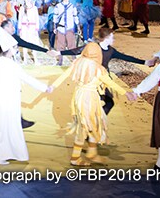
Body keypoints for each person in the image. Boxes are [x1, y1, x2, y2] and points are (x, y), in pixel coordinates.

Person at [0, 26, 52, 165]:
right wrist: (45, 88)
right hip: (8, 100)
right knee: (7, 126)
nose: (16, 49)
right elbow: (27, 78)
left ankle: (4, 152)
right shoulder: (11, 65)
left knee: (1, 125)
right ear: (8, 50)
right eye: (14, 47)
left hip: (0, 100)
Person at [49, 37, 129, 165]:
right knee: (85, 127)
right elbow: (110, 83)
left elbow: (65, 75)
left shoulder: (78, 63)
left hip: (79, 96)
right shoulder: (98, 69)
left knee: (93, 124)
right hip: (89, 99)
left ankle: (92, 152)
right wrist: (126, 93)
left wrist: (53, 86)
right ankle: (75, 158)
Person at [55, 27, 148, 115]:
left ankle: (96, 118)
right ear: (106, 38)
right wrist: (59, 52)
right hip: (92, 79)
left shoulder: (111, 50)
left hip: (103, 80)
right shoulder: (93, 47)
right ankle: (90, 119)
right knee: (97, 102)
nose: (113, 40)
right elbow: (76, 50)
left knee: (109, 103)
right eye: (112, 37)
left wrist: (145, 62)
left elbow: (126, 57)